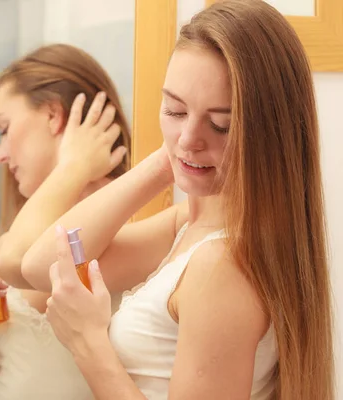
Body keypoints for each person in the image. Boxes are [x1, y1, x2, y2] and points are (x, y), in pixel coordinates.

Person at [22, 1, 334, 399]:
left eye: (220, 125)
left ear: (269, 135)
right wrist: (169, 161)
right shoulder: (191, 225)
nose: (190, 137)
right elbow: (41, 266)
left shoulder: (223, 263)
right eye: (175, 109)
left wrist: (87, 343)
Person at [0, 43, 131, 399]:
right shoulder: (19, 232)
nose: (0, 154)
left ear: (53, 115)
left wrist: (72, 167)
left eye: (5, 128)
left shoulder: (125, 224)